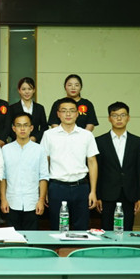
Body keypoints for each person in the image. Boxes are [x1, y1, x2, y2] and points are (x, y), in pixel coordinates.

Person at [40, 97, 99, 231]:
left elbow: (92, 162)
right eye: (64, 111)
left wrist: (93, 191)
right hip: (57, 187)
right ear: (58, 114)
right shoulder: (49, 135)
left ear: (77, 114)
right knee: (57, 228)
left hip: (81, 187)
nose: (68, 114)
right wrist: (45, 191)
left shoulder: (86, 135)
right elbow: (44, 163)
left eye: (72, 111)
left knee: (82, 228)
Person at [95, 102, 140, 231]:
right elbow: (97, 171)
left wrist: (139, 197)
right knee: (106, 230)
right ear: (109, 118)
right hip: (107, 194)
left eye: (122, 115)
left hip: (129, 194)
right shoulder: (99, 141)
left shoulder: (137, 142)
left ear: (128, 118)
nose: (119, 118)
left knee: (127, 230)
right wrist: (98, 195)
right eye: (115, 115)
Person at [0, 113, 49, 230]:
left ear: (31, 128)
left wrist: (41, 200)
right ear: (13, 128)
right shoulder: (5, 150)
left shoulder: (39, 149)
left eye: (26, 125)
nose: (22, 129)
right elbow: (3, 177)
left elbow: (43, 177)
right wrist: (3, 199)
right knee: (12, 237)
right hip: (11, 201)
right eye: (19, 125)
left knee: (31, 237)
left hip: (32, 202)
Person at [8, 77, 47, 143]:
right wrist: (20, 138)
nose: (27, 92)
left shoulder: (39, 108)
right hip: (17, 143)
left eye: (29, 89)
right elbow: (8, 127)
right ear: (19, 90)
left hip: (35, 143)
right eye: (23, 89)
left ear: (34, 90)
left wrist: (35, 137)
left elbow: (44, 127)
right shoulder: (12, 108)